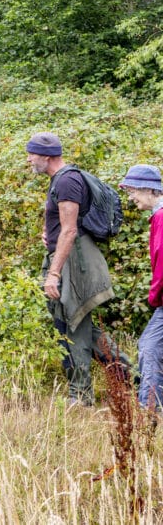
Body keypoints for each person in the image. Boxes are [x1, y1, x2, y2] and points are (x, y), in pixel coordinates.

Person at [26, 132, 132, 407]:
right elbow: (62, 225)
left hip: (77, 263)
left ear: (46, 157)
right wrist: (47, 233)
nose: (29, 160)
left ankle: (81, 396)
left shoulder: (67, 181)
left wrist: (54, 274)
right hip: (71, 258)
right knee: (79, 326)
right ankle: (133, 377)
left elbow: (70, 229)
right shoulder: (61, 180)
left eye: (32, 155)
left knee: (73, 324)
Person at [119, 164, 163, 411]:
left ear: (149, 190)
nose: (131, 197)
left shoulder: (161, 216)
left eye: (133, 190)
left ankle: (150, 410)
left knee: (149, 346)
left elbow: (162, 260)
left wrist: (154, 296)